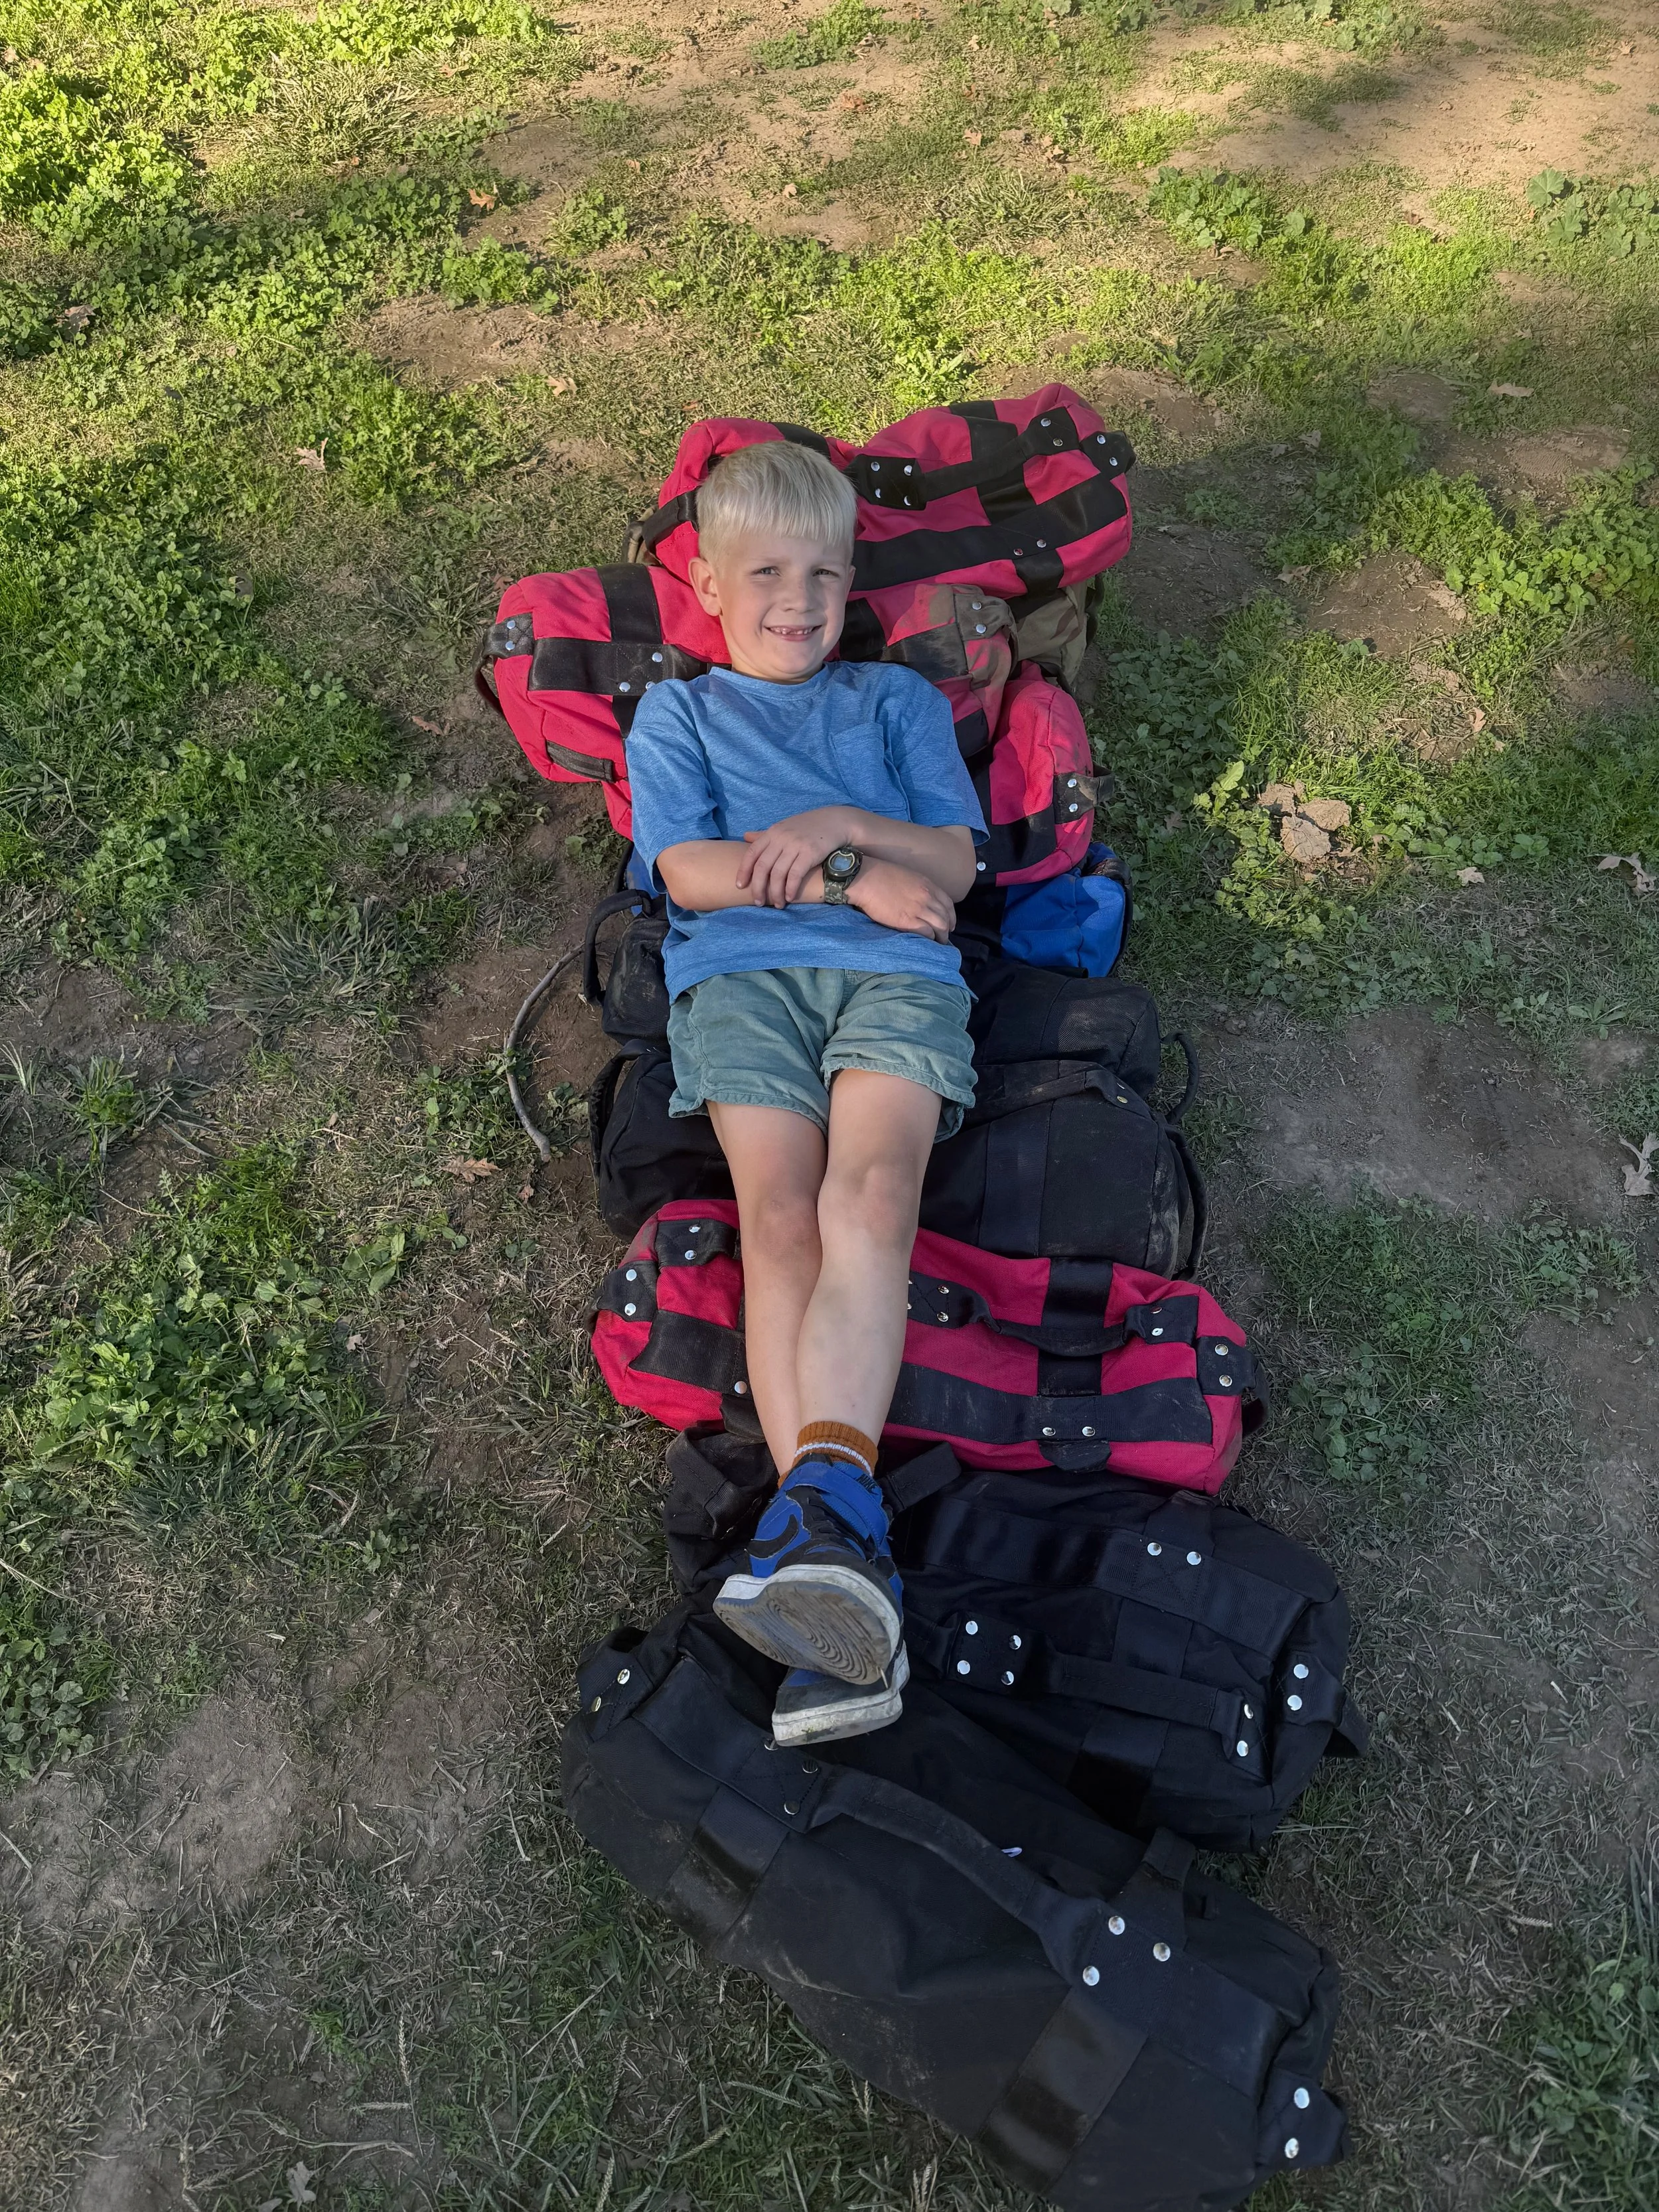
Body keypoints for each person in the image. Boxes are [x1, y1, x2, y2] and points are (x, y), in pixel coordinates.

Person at [626, 439, 986, 1745]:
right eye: (768, 573)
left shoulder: (893, 702)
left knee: (870, 1198)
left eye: (824, 575)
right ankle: (837, 1535)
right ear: (710, 587)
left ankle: (819, 1539)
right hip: (742, 979)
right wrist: (847, 878)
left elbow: (954, 858)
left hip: (896, 974)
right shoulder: (679, 716)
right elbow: (691, 873)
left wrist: (843, 826)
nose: (799, 600)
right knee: (777, 1218)